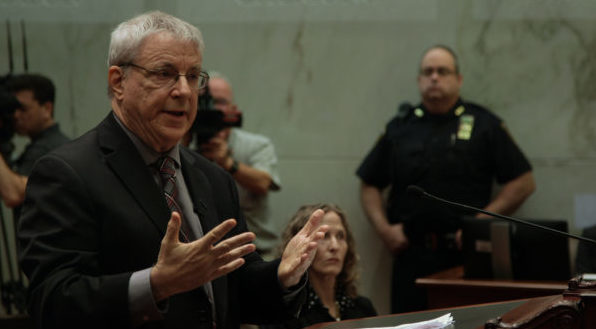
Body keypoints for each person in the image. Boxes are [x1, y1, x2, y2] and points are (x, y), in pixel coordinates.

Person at [17, 11, 327, 329]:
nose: (184, 91)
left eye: (193, 76)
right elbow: (52, 303)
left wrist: (282, 275)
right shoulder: (67, 173)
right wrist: (156, 284)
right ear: (118, 81)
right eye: (164, 73)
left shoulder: (215, 178)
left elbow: (236, 289)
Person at [356, 45, 536, 313]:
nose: (435, 78)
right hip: (411, 255)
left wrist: (481, 221)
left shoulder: (483, 124)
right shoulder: (401, 127)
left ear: (459, 79)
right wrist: (385, 230)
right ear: (419, 81)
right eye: (428, 72)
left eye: (443, 71)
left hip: (466, 256)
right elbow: (369, 183)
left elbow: (523, 182)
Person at [197, 73, 281, 259]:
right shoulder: (181, 145)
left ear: (233, 109)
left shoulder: (256, 145)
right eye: (203, 100)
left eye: (220, 102)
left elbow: (263, 183)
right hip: (203, 255)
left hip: (256, 250)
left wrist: (228, 163)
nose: (212, 108)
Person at [263, 203, 376, 329]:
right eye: (324, 236)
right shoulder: (286, 315)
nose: (334, 246)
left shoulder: (363, 308)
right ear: (301, 245)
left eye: (340, 236)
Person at [0, 73, 69, 215]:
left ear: (47, 109)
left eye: (23, 109)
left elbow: (13, 194)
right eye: (14, 110)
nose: (16, 116)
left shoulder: (48, 150)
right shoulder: (53, 144)